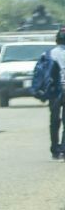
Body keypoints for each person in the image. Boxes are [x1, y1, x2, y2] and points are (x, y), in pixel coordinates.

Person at [48, 27, 65, 159]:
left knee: (54, 120)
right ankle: (64, 149)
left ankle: (55, 149)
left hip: (54, 90)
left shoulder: (50, 53)